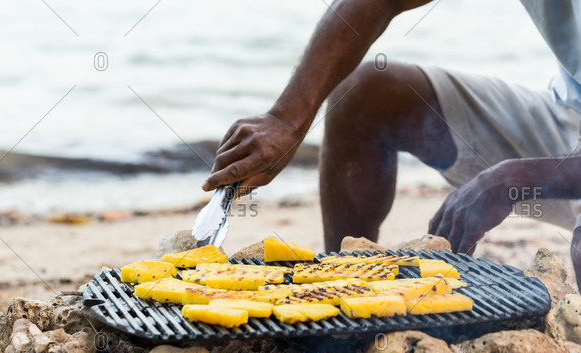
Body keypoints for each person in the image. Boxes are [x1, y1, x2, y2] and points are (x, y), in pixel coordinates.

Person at [202, 0, 581, 286]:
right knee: (366, 94)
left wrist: (513, 180)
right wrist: (287, 118)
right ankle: (345, 287)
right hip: (568, 114)